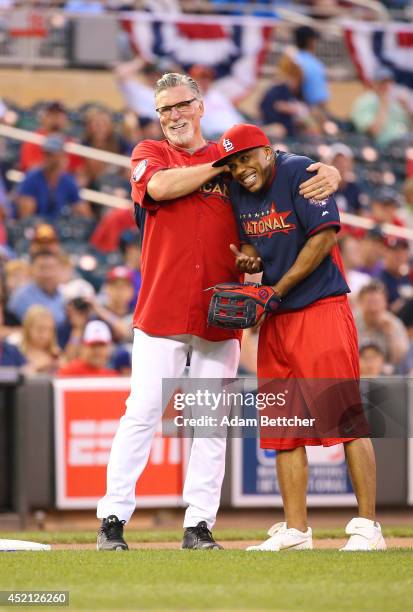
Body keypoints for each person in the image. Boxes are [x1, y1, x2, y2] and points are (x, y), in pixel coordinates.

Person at [96, 72, 342, 552]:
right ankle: (112, 517)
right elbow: (162, 188)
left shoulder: (233, 159)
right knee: (143, 410)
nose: (172, 116)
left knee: (209, 420)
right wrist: (217, 170)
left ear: (201, 105)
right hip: (162, 306)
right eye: (164, 109)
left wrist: (328, 171)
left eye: (180, 105)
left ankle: (199, 524)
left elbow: (279, 167)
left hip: (219, 311)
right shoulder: (151, 153)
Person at [211, 123, 386, 552]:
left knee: (344, 419)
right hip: (276, 316)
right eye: (232, 163)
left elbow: (323, 237)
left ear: (268, 151)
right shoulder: (237, 191)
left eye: (246, 157)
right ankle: (296, 530)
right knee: (283, 428)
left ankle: (368, 526)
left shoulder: (302, 172)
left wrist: (277, 288)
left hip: (319, 308)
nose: (240, 168)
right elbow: (256, 247)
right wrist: (252, 258)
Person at [15, 135, 90, 221]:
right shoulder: (32, 177)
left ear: (62, 156)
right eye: (46, 153)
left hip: (58, 228)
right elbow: (26, 216)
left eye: (52, 154)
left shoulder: (67, 180)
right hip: (35, 228)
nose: (48, 157)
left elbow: (84, 212)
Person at [351, 66, 412, 147]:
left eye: (389, 82)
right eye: (382, 82)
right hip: (385, 145)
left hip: (406, 140)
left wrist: (408, 108)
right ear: (374, 83)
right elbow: (373, 131)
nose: (386, 86)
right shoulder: (365, 101)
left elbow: (410, 127)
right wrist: (383, 105)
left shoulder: (396, 102)